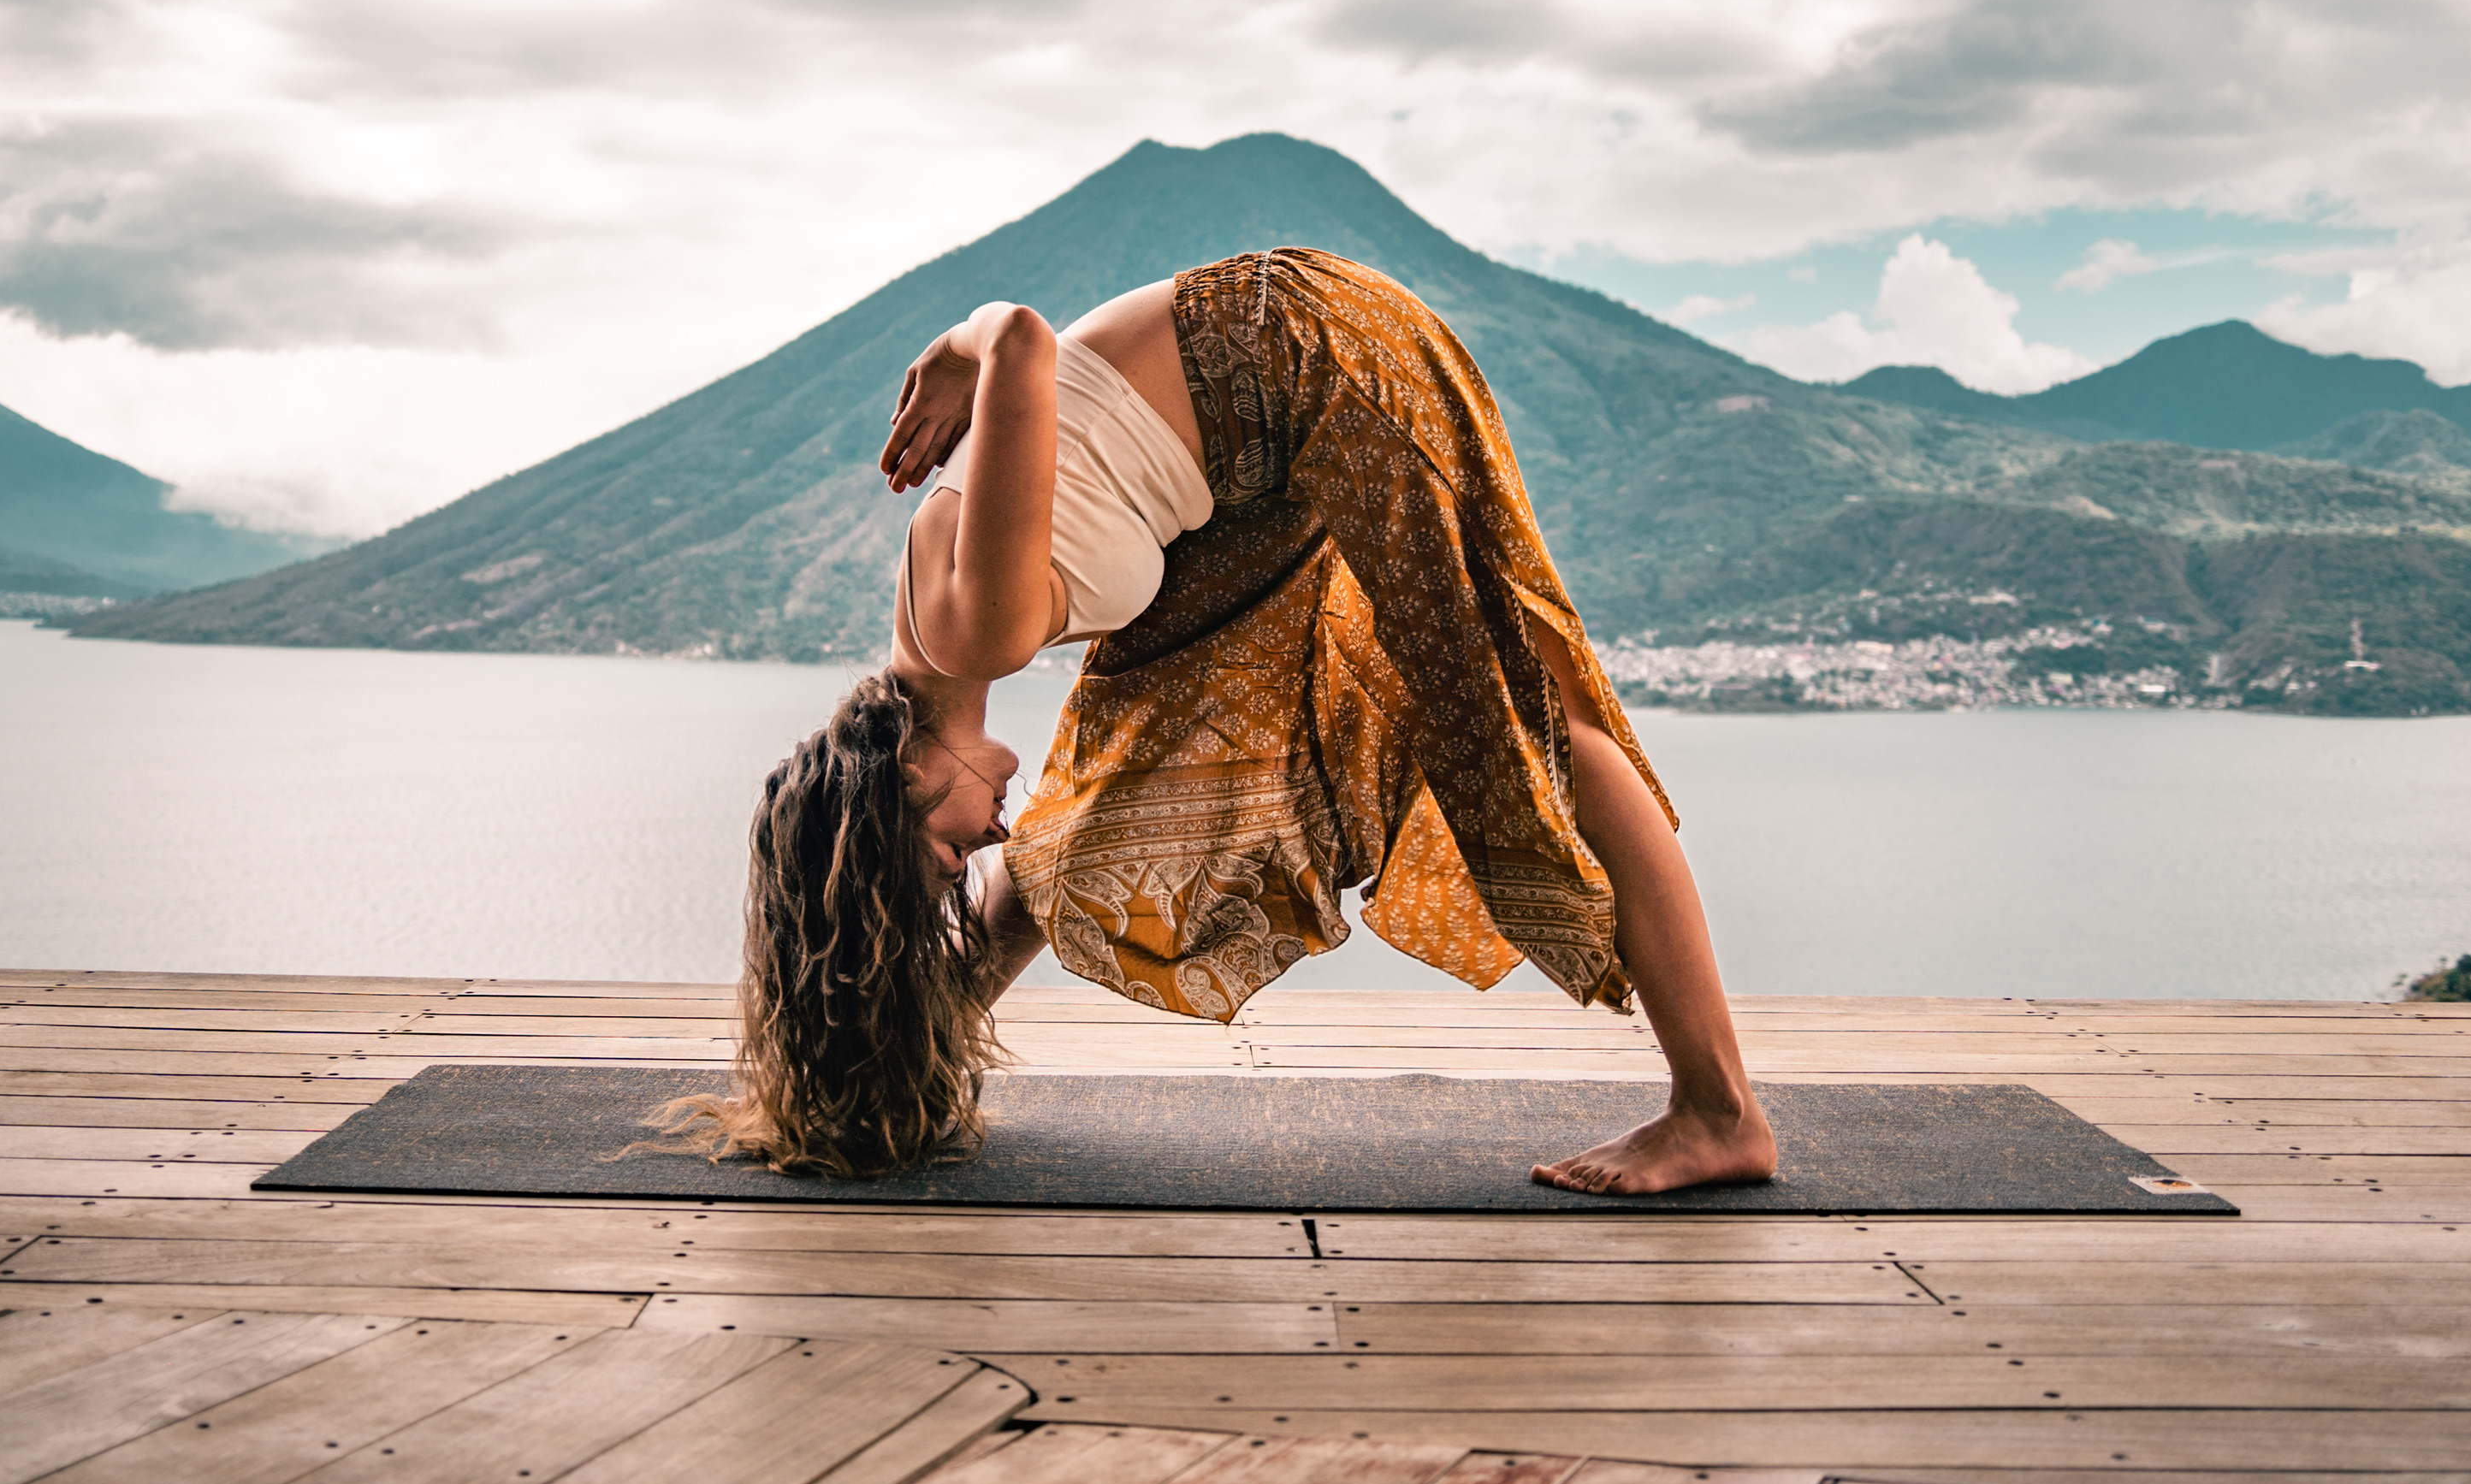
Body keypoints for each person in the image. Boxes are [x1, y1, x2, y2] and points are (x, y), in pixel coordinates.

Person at [665, 249, 1777, 1193]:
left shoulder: (979, 631)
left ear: (898, 780)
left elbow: (1021, 340)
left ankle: (1721, 1111)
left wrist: (964, 350)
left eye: (948, 847)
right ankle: (897, 1067)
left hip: (1308, 353)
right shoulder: (930, 638)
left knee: (1510, 727)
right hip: (1245, 447)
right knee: (1105, 803)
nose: (984, 840)